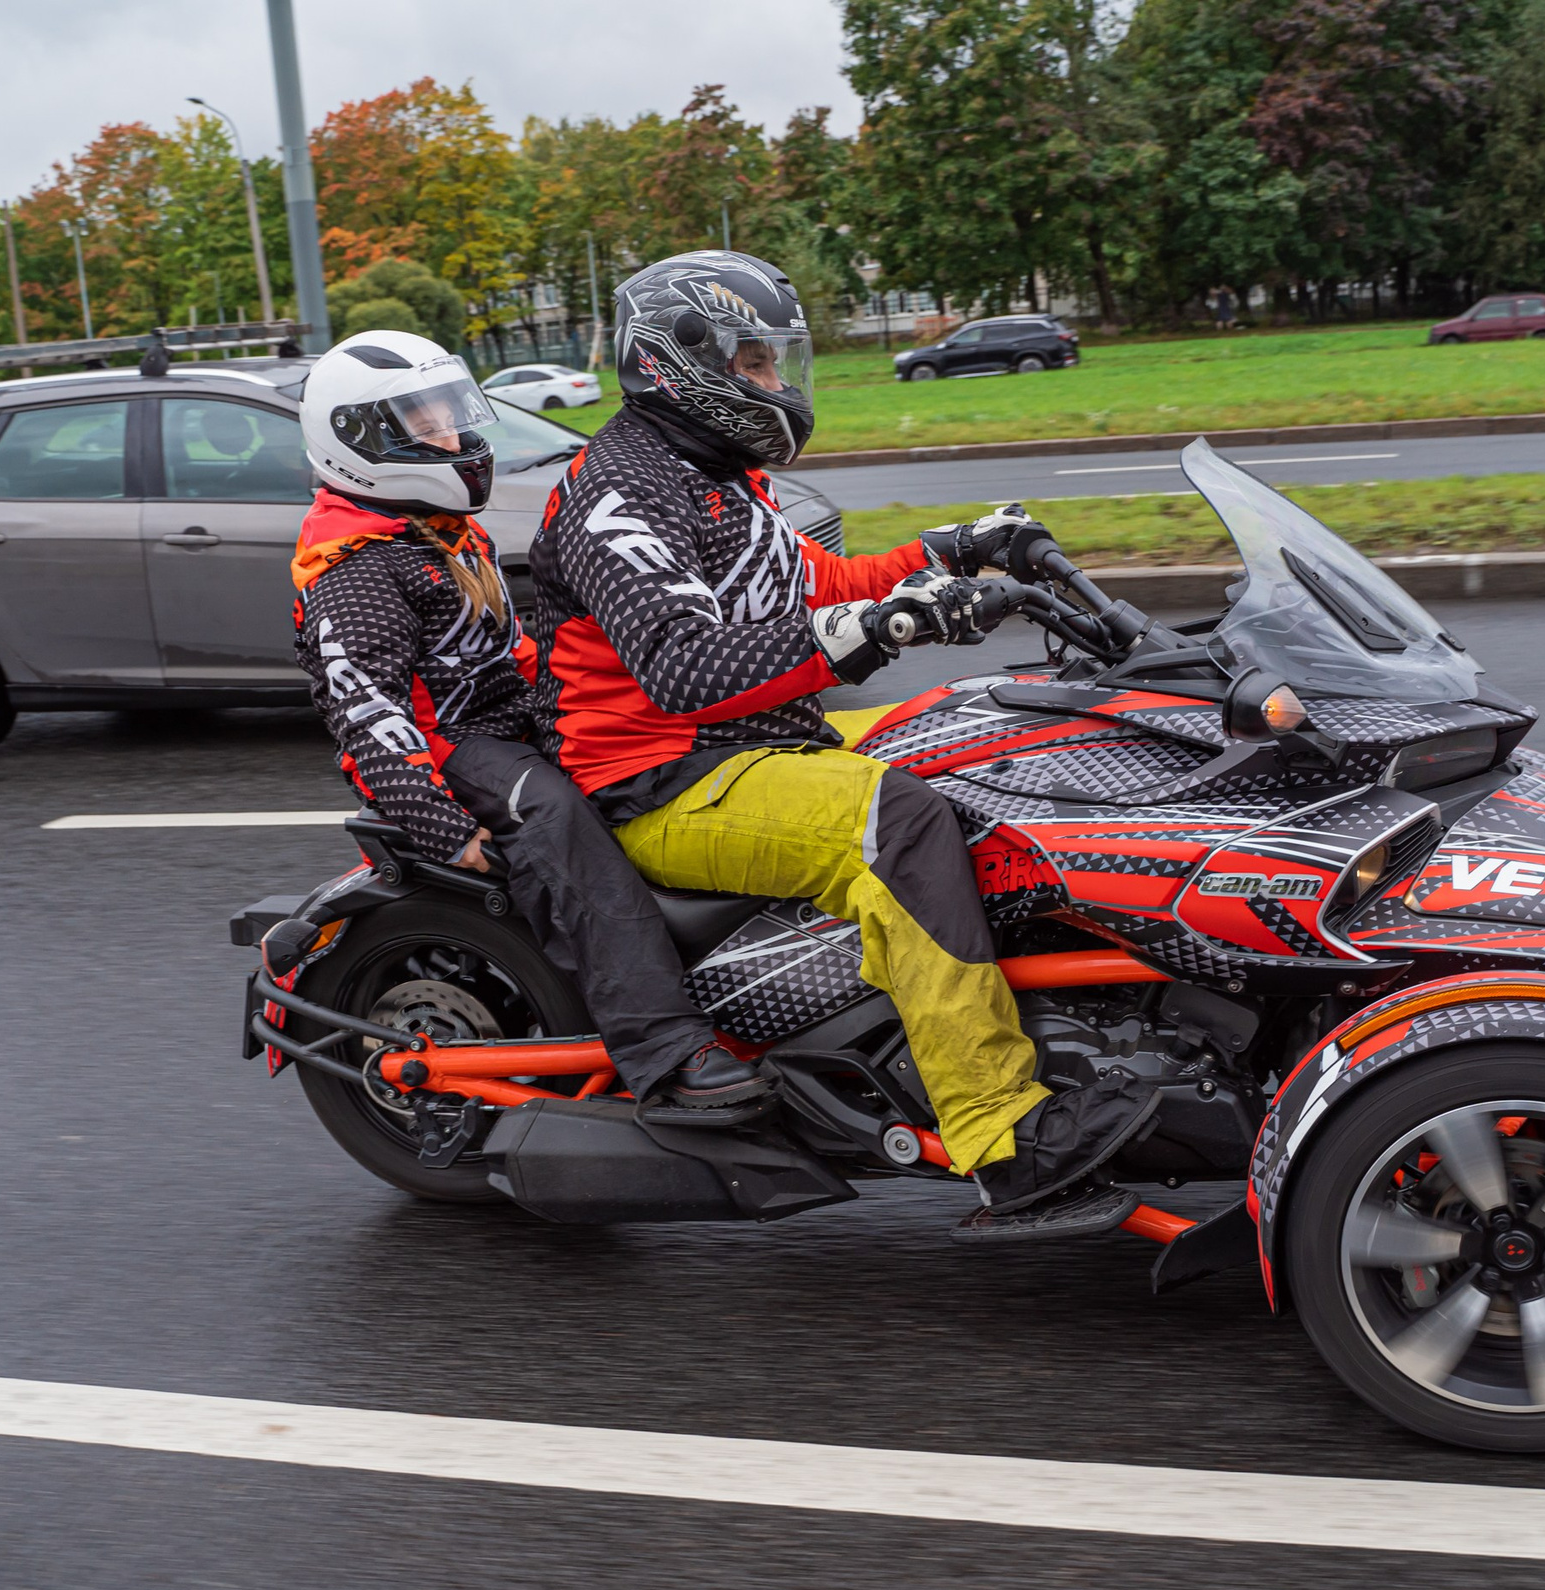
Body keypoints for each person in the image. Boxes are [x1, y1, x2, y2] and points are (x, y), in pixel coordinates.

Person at [528, 251, 1160, 1231]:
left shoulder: (713, 477)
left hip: (765, 736)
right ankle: (1004, 1137)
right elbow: (683, 667)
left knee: (997, 720)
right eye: (756, 365)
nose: (776, 387)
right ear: (677, 362)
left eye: (778, 366)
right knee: (897, 824)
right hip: (664, 773)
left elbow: (816, 590)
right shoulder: (618, 496)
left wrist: (949, 552)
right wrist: (885, 629)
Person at [291, 329, 763, 1109]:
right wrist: (443, 827)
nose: (453, 437)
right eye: (425, 425)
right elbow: (367, 715)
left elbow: (511, 649)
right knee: (554, 815)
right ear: (359, 440)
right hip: (454, 749)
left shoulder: (436, 533)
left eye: (451, 415)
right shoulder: (354, 566)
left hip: (507, 721)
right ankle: (665, 1045)